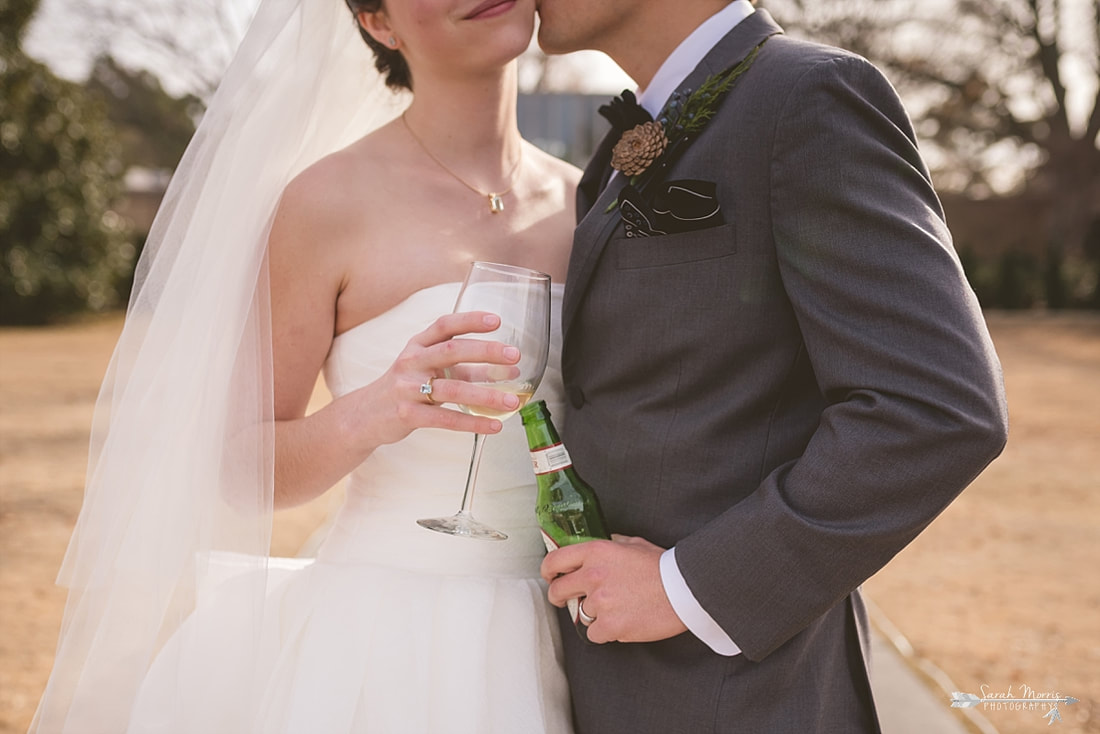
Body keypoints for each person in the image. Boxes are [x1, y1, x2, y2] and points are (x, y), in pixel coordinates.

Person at [30, 0, 579, 731]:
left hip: (582, 632)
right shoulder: (325, 203)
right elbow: (240, 467)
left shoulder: (592, 201)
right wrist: (375, 410)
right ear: (376, 22)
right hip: (391, 645)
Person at [535, 0, 1009, 731]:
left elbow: (935, 407)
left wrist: (688, 586)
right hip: (619, 682)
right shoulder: (617, 154)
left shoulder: (808, 96)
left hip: (743, 694)